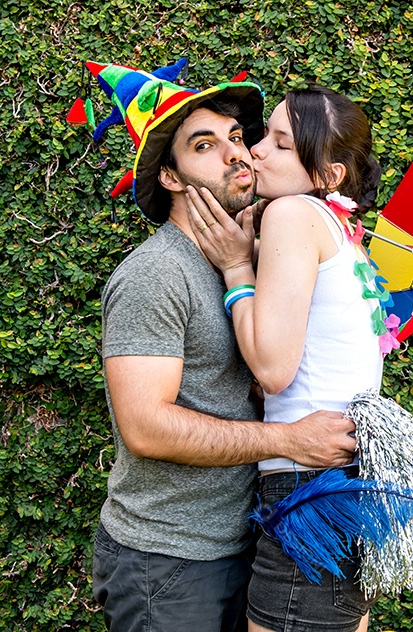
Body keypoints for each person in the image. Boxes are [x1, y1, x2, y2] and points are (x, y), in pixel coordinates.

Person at [78, 60, 359, 632]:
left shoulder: (254, 261)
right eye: (204, 145)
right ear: (172, 178)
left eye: (237, 137)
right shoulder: (155, 274)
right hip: (169, 562)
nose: (237, 153)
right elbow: (146, 426)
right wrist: (288, 440)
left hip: (247, 542)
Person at [186, 83, 390, 632]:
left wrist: (234, 267)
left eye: (279, 143)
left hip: (307, 485)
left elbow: (273, 370)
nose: (255, 150)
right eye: (264, 136)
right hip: (346, 479)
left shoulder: (293, 214)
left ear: (327, 176)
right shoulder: (342, 228)